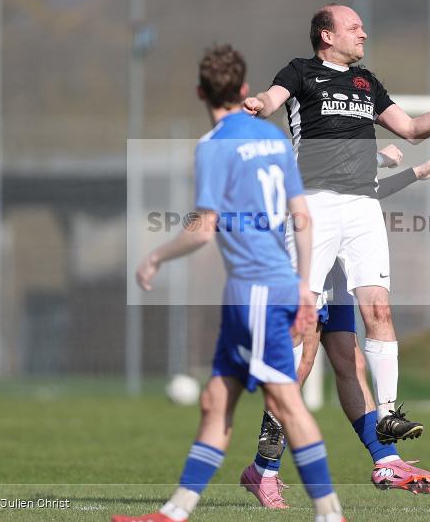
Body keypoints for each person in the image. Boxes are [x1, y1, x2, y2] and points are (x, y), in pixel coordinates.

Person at [112, 45, 345, 522]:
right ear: (243, 90)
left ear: (201, 92)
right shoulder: (275, 139)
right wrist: (304, 285)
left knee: (284, 399)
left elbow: (204, 227)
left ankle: (330, 513)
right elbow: (301, 216)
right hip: (266, 286)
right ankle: (174, 512)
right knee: (215, 398)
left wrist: (155, 256)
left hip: (256, 290)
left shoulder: (213, 145)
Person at [242, 3, 430, 445]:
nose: (363, 33)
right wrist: (259, 102)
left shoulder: (367, 82)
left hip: (362, 207)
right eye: (354, 27)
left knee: (379, 309)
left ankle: (388, 414)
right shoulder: (300, 71)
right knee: (302, 320)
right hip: (314, 206)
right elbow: (273, 99)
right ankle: (280, 414)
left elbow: (411, 129)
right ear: (327, 35)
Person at [240, 153, 430, 507]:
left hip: (335, 274)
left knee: (350, 362)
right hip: (305, 269)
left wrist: (416, 173)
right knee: (300, 368)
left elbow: (363, 194)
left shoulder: (339, 155)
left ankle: (386, 461)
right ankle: (263, 470)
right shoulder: (303, 152)